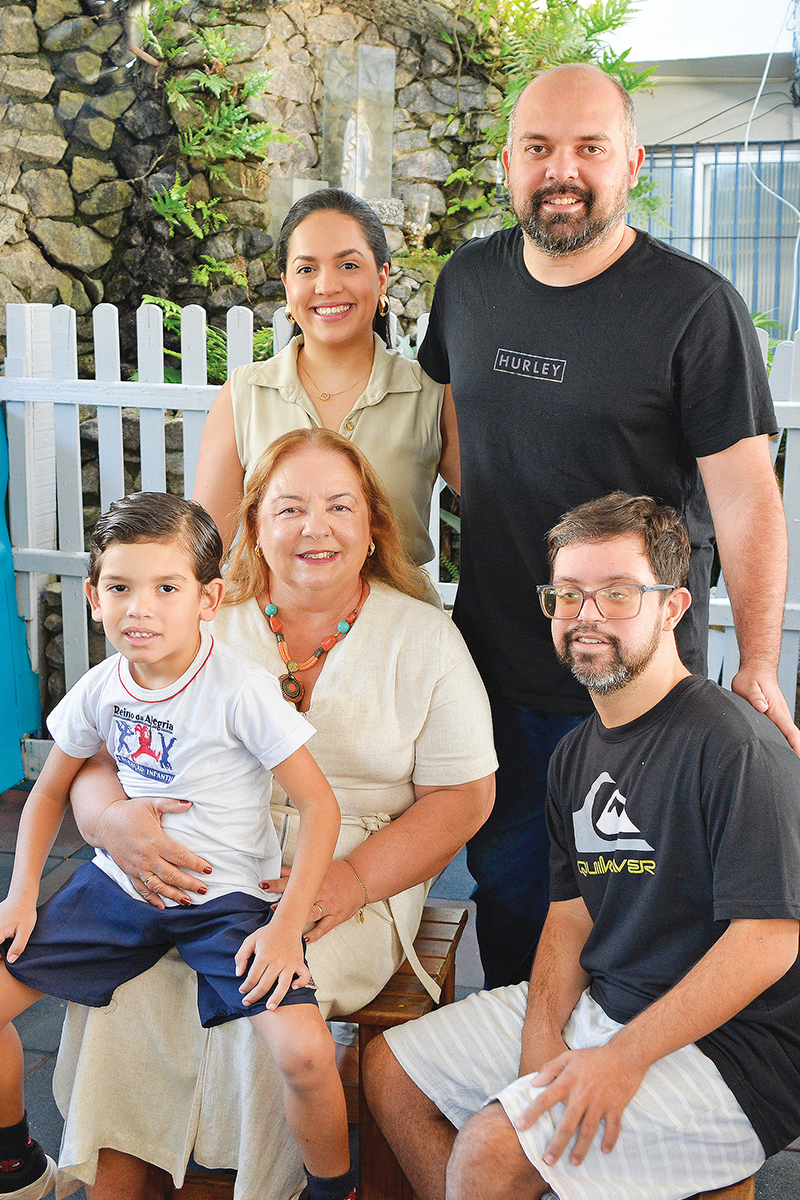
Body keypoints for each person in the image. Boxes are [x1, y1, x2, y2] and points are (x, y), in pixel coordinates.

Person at [422, 61, 798, 989]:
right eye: (541, 148)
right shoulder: (467, 283)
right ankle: (521, 1079)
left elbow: (751, 496)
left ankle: (625, 1094)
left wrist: (754, 664)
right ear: (507, 163)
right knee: (509, 894)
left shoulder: (695, 309)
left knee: (635, 910)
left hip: (633, 681)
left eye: (590, 148)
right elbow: (449, 431)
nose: (563, 171)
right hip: (495, 668)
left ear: (631, 162)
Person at [52, 429, 496, 1200]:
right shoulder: (198, 617)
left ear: (371, 530)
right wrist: (111, 825)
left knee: (265, 985)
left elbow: (465, 799)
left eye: (338, 507)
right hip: (202, 856)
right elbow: (96, 755)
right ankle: (120, 1174)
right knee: (132, 980)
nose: (314, 527)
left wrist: (348, 883)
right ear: (255, 526)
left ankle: (242, 1183)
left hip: (357, 876)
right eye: (289, 508)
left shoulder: (424, 639)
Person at [363, 492, 800, 1200]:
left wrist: (621, 1058)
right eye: (568, 594)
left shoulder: (733, 747)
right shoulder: (575, 757)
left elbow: (767, 941)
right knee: (389, 1072)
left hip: (735, 1052)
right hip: (610, 1006)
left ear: (673, 608)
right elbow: (570, 918)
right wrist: (543, 1039)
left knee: (487, 1153)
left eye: (617, 593)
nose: (587, 614)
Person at [0, 491, 357, 1200]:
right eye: (120, 587)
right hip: (121, 889)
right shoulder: (102, 687)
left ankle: (333, 1191)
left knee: (307, 1054)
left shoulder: (241, 692)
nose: (141, 608)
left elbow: (320, 807)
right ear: (95, 597)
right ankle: (17, 1160)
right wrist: (21, 895)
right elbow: (47, 793)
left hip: (224, 900)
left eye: (166, 588)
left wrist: (286, 928)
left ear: (208, 597)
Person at [193, 187, 459, 577]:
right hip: (270, 632)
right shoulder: (245, 394)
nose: (326, 286)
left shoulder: (429, 394)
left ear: (382, 277)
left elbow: (503, 512)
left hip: (399, 631)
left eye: (348, 265)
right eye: (306, 269)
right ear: (286, 285)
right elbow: (202, 555)